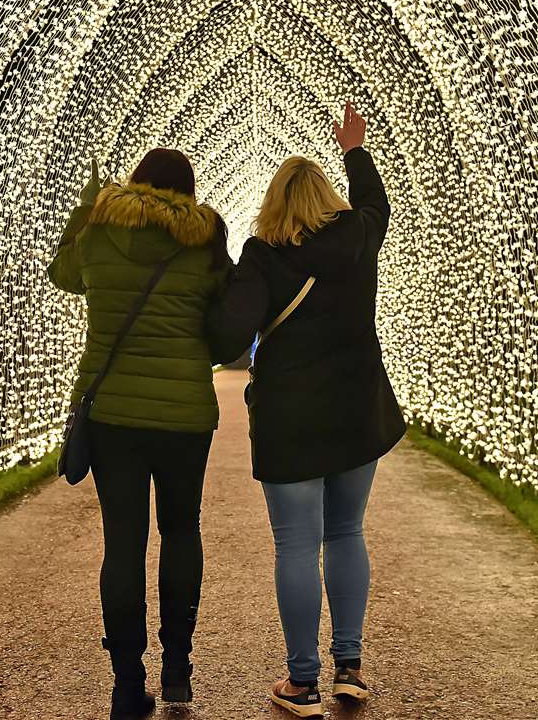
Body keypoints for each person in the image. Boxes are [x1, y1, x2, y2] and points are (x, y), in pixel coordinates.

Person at [209, 104, 407, 717]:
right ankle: (350, 667)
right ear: (330, 201)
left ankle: (304, 682)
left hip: (290, 416)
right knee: (347, 532)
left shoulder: (263, 256)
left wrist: (221, 275)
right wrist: (355, 149)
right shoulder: (357, 238)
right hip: (355, 408)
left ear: (271, 207)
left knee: (295, 546)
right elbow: (376, 206)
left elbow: (225, 340)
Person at [48, 147, 232, 719]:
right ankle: (178, 668)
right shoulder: (206, 240)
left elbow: (63, 275)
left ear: (135, 183)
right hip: (184, 415)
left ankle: (127, 684)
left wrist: (84, 211)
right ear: (189, 193)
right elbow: (223, 323)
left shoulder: (102, 231)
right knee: (181, 529)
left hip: (112, 416)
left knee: (122, 540)